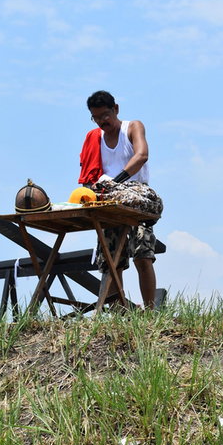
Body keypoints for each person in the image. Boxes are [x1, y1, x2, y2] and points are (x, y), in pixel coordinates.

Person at [78, 90, 158, 309]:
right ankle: (119, 312)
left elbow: (141, 155)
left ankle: (151, 312)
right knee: (111, 261)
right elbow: (90, 173)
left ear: (116, 109)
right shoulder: (95, 138)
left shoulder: (132, 127)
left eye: (106, 115)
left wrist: (117, 181)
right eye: (96, 117)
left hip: (135, 199)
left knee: (143, 255)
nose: (103, 121)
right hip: (109, 204)